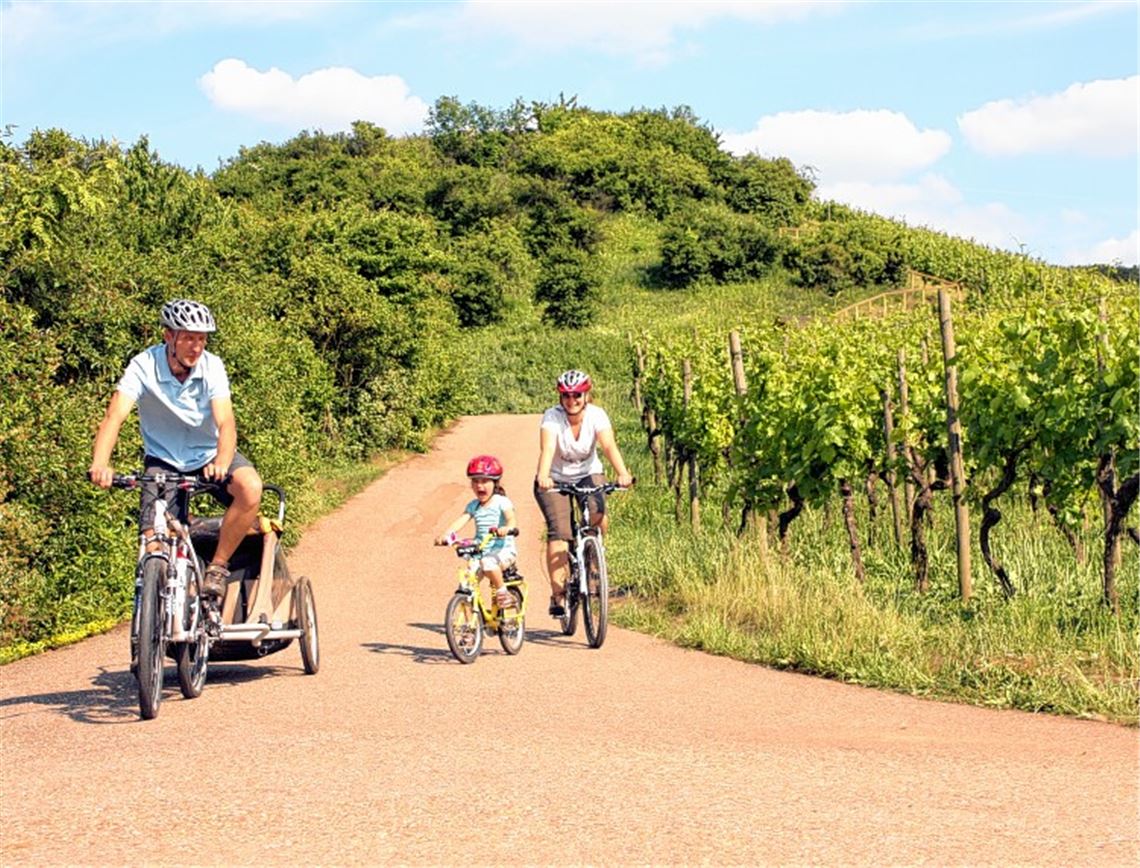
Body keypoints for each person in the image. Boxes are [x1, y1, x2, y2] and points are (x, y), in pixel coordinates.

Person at [88, 299, 263, 601]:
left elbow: (226, 423)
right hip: (164, 462)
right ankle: (155, 614)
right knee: (154, 542)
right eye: (188, 338)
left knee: (250, 488)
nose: (196, 347)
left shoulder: (212, 367)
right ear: (169, 336)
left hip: (209, 456)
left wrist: (222, 460)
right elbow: (114, 415)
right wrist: (100, 463)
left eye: (201, 339)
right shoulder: (143, 365)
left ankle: (218, 567)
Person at [534, 369, 633, 617]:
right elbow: (547, 448)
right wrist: (543, 476)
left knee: (598, 513)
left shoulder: (596, 415)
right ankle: (558, 595)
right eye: (566, 395)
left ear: (586, 395)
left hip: (589, 473)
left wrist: (623, 474)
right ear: (560, 397)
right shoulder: (552, 417)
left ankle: (593, 557)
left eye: (577, 395)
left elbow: (608, 445)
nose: (572, 400)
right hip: (555, 478)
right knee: (560, 531)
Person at [435, 455, 518, 609]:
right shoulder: (474, 505)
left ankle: (503, 593)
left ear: (495, 482)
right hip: (481, 551)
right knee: (466, 583)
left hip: (503, 551)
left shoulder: (501, 502)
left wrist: (507, 528)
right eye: (475, 481)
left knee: (488, 563)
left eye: (485, 481)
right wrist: (446, 535)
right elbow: (461, 520)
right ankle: (468, 626)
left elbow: (511, 518)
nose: (480, 486)